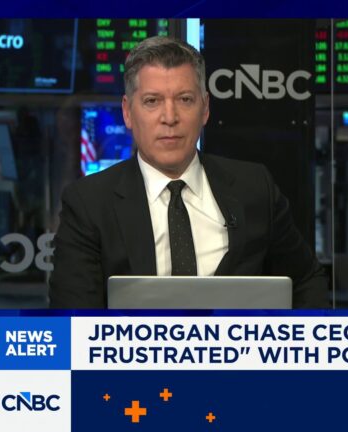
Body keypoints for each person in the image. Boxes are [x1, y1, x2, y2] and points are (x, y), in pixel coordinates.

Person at [49, 36, 328, 309]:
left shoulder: (255, 188)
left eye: (184, 99)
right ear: (127, 112)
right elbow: (72, 317)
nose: (170, 118)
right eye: (152, 101)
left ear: (204, 109)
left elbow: (306, 281)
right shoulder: (89, 203)